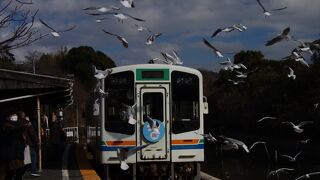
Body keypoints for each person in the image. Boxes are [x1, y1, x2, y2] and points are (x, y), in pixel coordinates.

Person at [0, 112, 26, 180]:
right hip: (11, 154)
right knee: (15, 171)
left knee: (13, 172)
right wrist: (22, 127)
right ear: (8, 117)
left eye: (15, 115)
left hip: (17, 153)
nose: (15, 116)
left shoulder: (17, 124)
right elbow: (13, 131)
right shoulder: (6, 125)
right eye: (13, 115)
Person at [20, 112, 40, 177]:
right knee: (33, 156)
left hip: (20, 143)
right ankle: (33, 171)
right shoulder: (27, 122)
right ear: (24, 115)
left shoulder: (17, 123)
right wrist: (37, 140)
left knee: (22, 158)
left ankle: (20, 172)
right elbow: (32, 133)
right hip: (28, 143)